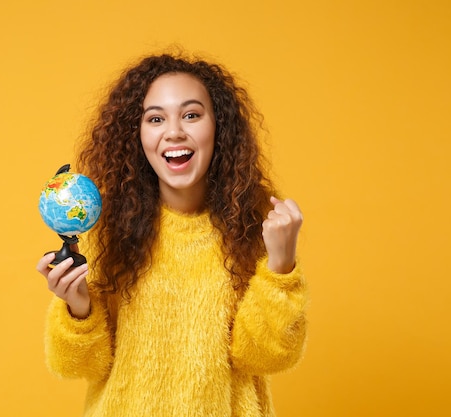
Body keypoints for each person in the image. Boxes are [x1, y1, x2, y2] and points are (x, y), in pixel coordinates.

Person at [36, 51, 308, 417]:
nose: (174, 131)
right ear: (137, 134)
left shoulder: (256, 228)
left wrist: (281, 267)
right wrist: (78, 308)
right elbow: (76, 366)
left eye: (192, 115)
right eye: (155, 118)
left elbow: (263, 356)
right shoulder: (109, 231)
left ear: (219, 128)